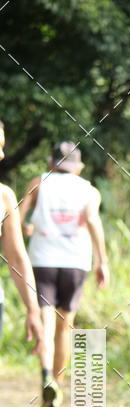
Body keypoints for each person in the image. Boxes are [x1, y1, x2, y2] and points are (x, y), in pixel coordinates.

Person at [20, 141, 109, 407]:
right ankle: (56, 386)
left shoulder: (39, 182)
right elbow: (93, 221)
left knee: (45, 324)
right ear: (79, 167)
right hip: (75, 262)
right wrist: (102, 261)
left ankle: (46, 376)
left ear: (51, 163)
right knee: (64, 327)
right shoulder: (89, 190)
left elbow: (19, 218)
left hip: (43, 260)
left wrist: (29, 227)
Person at [0, 121, 44, 355]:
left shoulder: (4, 197)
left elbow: (17, 259)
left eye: (3, 146)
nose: (2, 154)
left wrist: (33, 310)